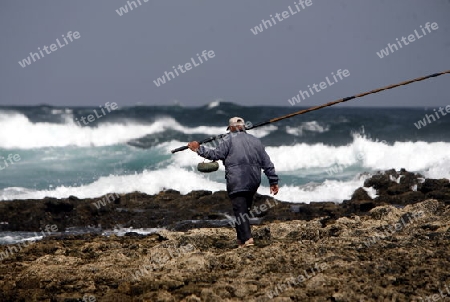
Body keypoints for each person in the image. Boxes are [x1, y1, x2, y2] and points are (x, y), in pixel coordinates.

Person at [187, 117, 279, 248]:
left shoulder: (228, 140)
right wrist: (273, 181)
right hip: (253, 181)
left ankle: (247, 239)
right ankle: (241, 239)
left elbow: (215, 155)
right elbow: (267, 163)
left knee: (240, 210)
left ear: (230, 128)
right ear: (244, 127)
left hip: (237, 180)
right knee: (243, 209)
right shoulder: (256, 141)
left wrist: (198, 149)